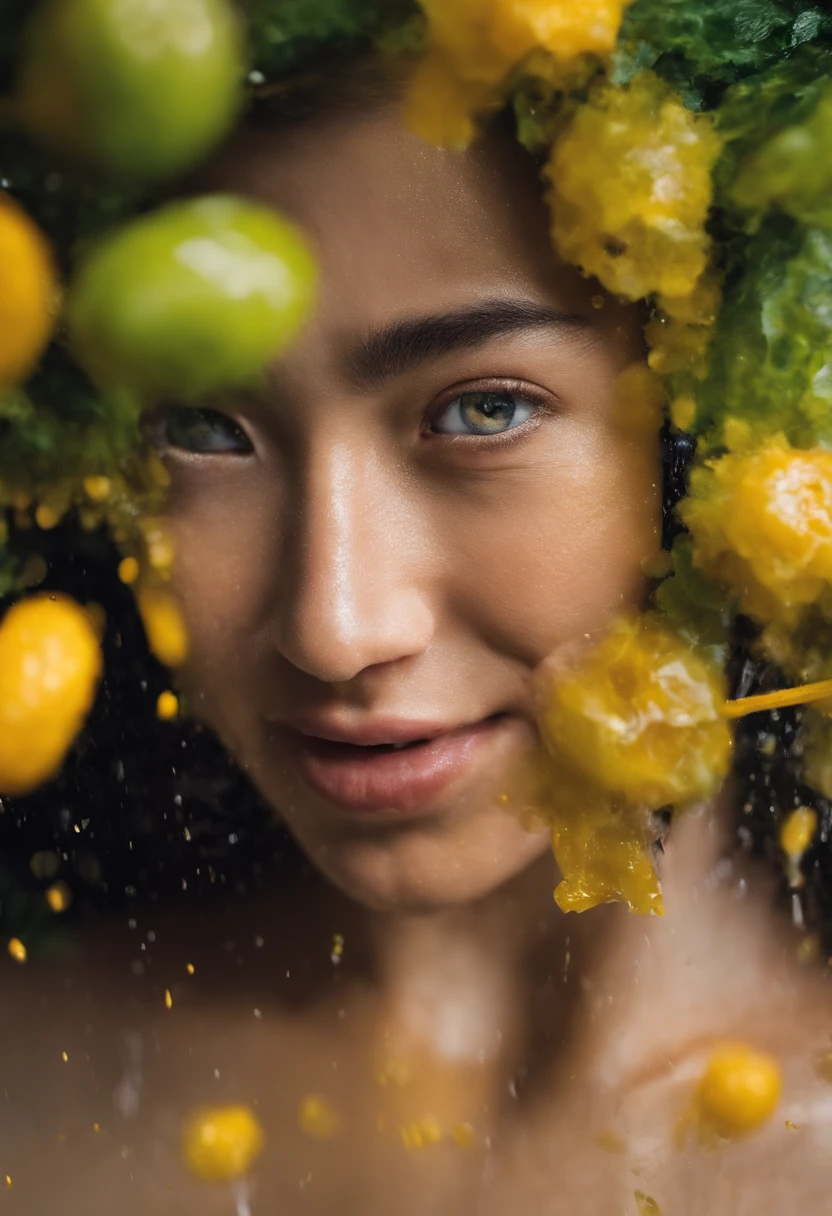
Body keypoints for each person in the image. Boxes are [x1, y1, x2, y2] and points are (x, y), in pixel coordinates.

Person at [1, 54, 831, 1216]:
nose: (334, 628)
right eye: (201, 425)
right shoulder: (28, 1073)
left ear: (736, 421)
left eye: (483, 408)